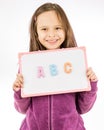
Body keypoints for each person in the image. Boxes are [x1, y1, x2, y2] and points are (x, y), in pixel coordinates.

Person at [13, 2, 98, 130]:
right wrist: (19, 90)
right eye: (44, 29)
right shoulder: (29, 64)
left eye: (57, 28)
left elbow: (83, 108)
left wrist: (90, 86)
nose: (51, 34)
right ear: (36, 33)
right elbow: (22, 109)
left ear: (65, 29)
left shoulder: (75, 61)